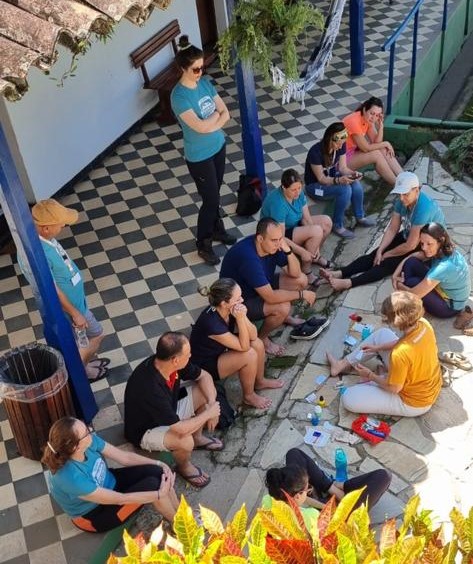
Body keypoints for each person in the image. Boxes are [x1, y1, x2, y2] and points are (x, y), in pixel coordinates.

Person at [18, 199, 108, 382]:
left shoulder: (45, 240)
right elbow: (51, 289)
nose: (64, 226)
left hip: (77, 304)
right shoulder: (37, 254)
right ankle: (79, 374)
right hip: (70, 310)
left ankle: (83, 367)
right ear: (46, 228)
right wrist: (75, 314)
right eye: (61, 224)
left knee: (80, 341)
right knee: (96, 335)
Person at [42, 417, 178, 533]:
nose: (90, 430)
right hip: (95, 514)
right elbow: (120, 499)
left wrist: (159, 463)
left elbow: (125, 457)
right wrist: (158, 494)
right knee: (154, 486)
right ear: (75, 447)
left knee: (160, 472)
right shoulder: (70, 478)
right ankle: (179, 525)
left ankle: (181, 511)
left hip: (110, 481)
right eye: (86, 432)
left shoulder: (88, 442)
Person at [124, 332, 222, 488]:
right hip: (146, 430)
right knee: (185, 440)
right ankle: (184, 466)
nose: (190, 356)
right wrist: (209, 414)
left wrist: (211, 403)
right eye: (188, 354)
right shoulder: (150, 386)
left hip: (168, 411)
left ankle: (198, 438)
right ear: (175, 360)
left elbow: (205, 376)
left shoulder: (168, 363)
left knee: (204, 392)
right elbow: (180, 429)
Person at [321, 172, 445, 291]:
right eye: (399, 194)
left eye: (405, 194)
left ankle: (349, 283)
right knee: (375, 255)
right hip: (410, 234)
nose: (401, 198)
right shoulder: (402, 200)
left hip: (426, 245)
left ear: (416, 191)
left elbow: (411, 245)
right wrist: (380, 250)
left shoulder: (424, 208)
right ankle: (341, 272)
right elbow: (392, 229)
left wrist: (387, 254)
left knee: (387, 263)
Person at [170, 35, 235, 266]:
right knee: (210, 199)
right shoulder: (179, 96)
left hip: (218, 146)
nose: (200, 72)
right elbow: (199, 127)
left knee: (215, 192)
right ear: (183, 69)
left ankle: (217, 229)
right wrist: (216, 118)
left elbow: (226, 113)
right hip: (199, 156)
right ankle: (203, 243)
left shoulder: (205, 84)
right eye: (195, 69)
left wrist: (213, 122)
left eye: (202, 67)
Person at [220, 218, 326, 355]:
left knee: (301, 280)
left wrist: (287, 250)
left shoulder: (273, 245)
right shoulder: (249, 258)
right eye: (274, 240)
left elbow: (295, 273)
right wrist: (302, 295)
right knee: (282, 307)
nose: (278, 243)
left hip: (260, 287)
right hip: (240, 302)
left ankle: (284, 318)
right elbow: (270, 297)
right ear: (260, 238)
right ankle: (262, 339)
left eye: (280, 239)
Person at [327, 292, 442, 417]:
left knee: (349, 398)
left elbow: (394, 388)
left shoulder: (399, 354)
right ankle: (340, 365)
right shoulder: (423, 324)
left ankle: (382, 377)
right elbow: (403, 341)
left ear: (396, 321)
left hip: (413, 402)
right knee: (383, 334)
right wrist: (378, 347)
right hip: (422, 381)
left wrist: (370, 375)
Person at [190, 278, 284, 410]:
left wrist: (243, 317)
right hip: (205, 364)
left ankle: (260, 381)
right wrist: (240, 319)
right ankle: (249, 396)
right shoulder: (212, 324)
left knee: (257, 343)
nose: (242, 300)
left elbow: (253, 335)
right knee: (249, 355)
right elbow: (244, 347)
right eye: (238, 298)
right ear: (224, 303)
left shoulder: (228, 309)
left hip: (220, 350)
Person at [263, 448, 391, 529]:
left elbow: (300, 500)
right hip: (336, 519)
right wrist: (336, 504)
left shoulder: (270, 499)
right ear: (297, 495)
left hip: (317, 503)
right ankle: (339, 486)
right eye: (307, 489)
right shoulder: (310, 516)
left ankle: (333, 486)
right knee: (384, 476)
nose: (309, 489)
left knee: (293, 453)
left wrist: (323, 498)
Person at [304, 123, 375, 239]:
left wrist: (353, 174)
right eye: (338, 143)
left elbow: (342, 168)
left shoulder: (341, 145)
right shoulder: (315, 152)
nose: (340, 146)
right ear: (329, 139)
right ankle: (337, 225)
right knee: (345, 190)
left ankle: (360, 217)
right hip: (315, 187)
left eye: (342, 143)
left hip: (331, 178)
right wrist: (338, 180)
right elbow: (321, 179)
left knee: (355, 183)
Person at [260, 169, 333, 279]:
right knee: (316, 231)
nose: (297, 192)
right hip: (280, 235)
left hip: (294, 225)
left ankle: (314, 256)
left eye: (299, 188)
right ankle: (306, 269)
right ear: (284, 188)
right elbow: (281, 238)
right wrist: (302, 252)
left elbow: (307, 219)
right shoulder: (278, 204)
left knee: (326, 222)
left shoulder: (299, 193)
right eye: (293, 190)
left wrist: (317, 246)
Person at [392, 222, 471, 319]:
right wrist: (394, 275)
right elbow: (412, 256)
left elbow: (415, 294)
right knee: (411, 262)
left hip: (450, 307)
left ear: (440, 241)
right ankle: (408, 298)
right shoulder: (444, 249)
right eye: (422, 243)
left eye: (429, 244)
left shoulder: (443, 267)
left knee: (412, 282)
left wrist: (400, 286)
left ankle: (408, 300)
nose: (424, 247)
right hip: (444, 289)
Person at [343, 97, 403, 186]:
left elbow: (377, 143)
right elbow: (366, 148)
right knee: (376, 154)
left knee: (382, 149)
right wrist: (386, 143)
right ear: (364, 110)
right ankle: (399, 185)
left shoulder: (368, 120)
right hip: (340, 159)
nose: (374, 118)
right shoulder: (354, 122)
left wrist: (381, 127)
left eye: (377, 115)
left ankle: (404, 177)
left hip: (351, 153)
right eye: (372, 113)